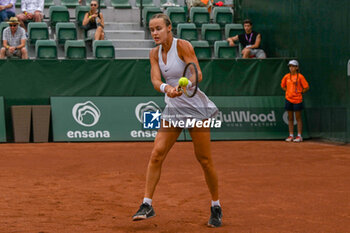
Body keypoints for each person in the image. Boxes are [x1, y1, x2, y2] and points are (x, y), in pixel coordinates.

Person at [132, 13, 222, 228]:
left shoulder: (183, 46)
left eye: (158, 29)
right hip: (173, 109)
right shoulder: (154, 53)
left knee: (204, 159)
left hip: (196, 110)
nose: (154, 33)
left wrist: (184, 86)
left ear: (169, 28)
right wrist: (168, 88)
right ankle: (147, 204)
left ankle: (216, 206)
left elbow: (197, 73)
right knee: (156, 154)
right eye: (152, 29)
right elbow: (155, 80)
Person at [281, 60, 309, 142]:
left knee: (298, 118)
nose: (291, 68)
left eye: (293, 66)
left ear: (297, 67)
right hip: (288, 99)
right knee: (290, 118)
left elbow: (306, 87)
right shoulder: (286, 76)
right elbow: (282, 86)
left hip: (297, 100)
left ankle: (299, 136)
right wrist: (288, 92)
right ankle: (291, 135)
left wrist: (300, 92)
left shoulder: (300, 77)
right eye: (290, 66)